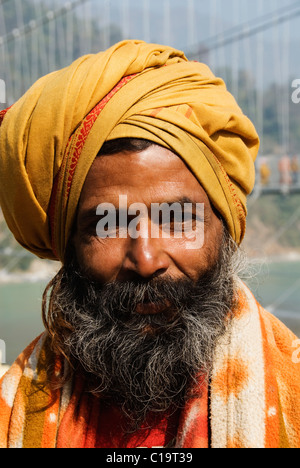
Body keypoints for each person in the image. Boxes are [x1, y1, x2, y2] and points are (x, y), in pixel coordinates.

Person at [0, 40, 299, 449]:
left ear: (225, 225)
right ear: (67, 243)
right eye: (106, 225)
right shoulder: (10, 410)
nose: (145, 258)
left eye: (177, 219)